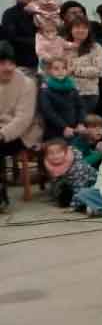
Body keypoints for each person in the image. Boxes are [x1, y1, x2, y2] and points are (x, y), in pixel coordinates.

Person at [0, 40, 42, 209]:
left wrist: (2, 133)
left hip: (24, 133)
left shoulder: (26, 83)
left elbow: (24, 119)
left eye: (11, 63)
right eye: (2, 63)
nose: (8, 67)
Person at [38, 57, 85, 142]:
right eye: (56, 69)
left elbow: (80, 106)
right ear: (49, 71)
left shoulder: (71, 88)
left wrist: (80, 123)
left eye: (64, 68)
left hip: (74, 130)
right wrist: (63, 127)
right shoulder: (46, 90)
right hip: (55, 131)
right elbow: (48, 112)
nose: (61, 71)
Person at [43, 139, 97, 208]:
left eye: (59, 152)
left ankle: (82, 204)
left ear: (65, 153)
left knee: (85, 194)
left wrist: (74, 205)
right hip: (71, 184)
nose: (55, 156)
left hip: (90, 185)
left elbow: (79, 187)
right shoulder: (52, 165)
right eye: (51, 153)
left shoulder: (76, 166)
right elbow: (55, 182)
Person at [1, 0, 38, 70]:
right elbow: (11, 38)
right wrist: (37, 41)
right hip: (24, 61)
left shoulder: (41, 9)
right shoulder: (10, 14)